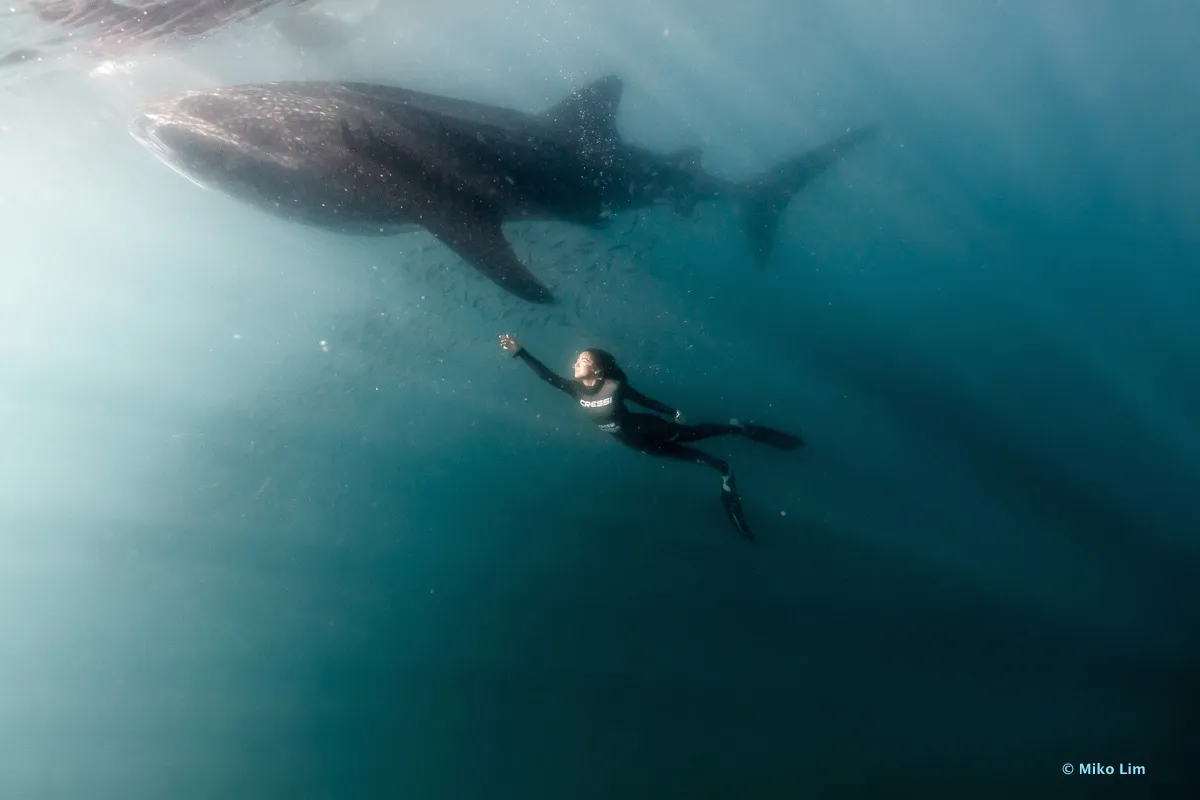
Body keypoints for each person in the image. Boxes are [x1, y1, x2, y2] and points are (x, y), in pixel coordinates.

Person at [499, 333, 804, 541]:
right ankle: (724, 470)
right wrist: (520, 351)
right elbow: (546, 376)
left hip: (648, 428)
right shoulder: (574, 388)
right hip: (636, 444)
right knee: (701, 460)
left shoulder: (614, 387)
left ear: (597, 370)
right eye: (577, 360)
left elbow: (644, 400)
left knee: (694, 434)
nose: (575, 363)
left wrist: (673, 413)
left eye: (582, 360)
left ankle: (739, 428)